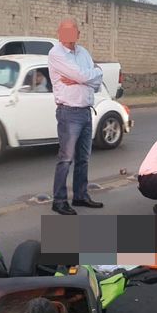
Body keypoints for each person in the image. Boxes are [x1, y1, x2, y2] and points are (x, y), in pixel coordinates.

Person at [48, 18, 105, 215]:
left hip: (86, 110)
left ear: (78, 34)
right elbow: (86, 76)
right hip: (69, 112)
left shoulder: (84, 53)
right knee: (66, 158)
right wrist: (87, 77)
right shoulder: (56, 53)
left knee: (84, 158)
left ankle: (80, 195)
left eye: (73, 32)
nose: (70, 37)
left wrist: (83, 78)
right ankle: (59, 200)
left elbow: (97, 80)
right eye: (66, 32)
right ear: (59, 33)